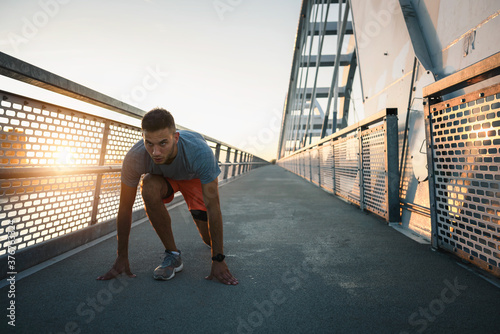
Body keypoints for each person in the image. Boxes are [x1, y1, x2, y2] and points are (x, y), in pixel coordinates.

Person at [97, 108, 238, 285]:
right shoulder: (135, 157)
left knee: (207, 239)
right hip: (165, 179)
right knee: (148, 185)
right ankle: (173, 254)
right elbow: (125, 208)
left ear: (176, 138)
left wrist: (218, 259)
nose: (155, 152)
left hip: (192, 177)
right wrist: (121, 256)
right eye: (149, 143)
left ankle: (211, 244)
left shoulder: (200, 153)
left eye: (163, 144)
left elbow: (213, 208)